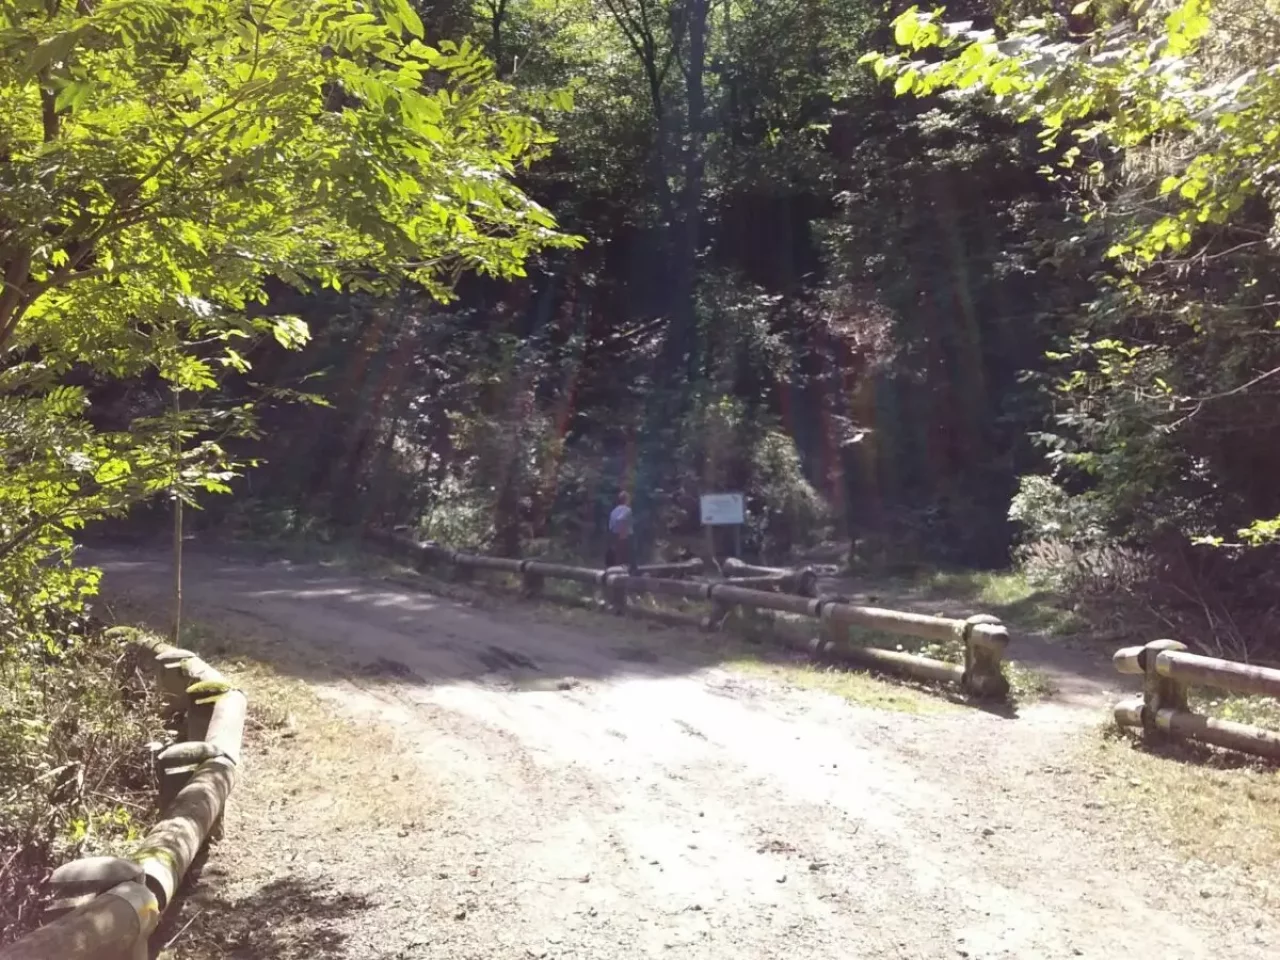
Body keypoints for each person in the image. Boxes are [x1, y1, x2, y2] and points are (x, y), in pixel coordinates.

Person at [606, 491, 634, 572]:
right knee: (624, 557)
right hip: (624, 536)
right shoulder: (627, 510)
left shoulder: (614, 511)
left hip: (614, 535)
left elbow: (610, 525)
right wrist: (623, 533)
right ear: (626, 500)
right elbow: (621, 519)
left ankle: (615, 572)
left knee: (617, 556)